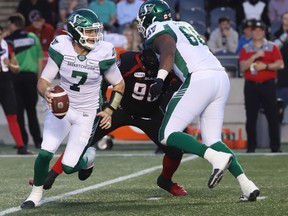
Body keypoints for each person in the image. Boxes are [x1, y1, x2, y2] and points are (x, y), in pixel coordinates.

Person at [137, 0, 260, 201]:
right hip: (220, 77)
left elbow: (169, 48)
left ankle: (214, 157)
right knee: (213, 139)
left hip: (200, 78)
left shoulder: (158, 28)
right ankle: (247, 185)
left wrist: (159, 77)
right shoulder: (184, 24)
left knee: (167, 133)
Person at [31, 49, 188, 197]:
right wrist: (105, 104)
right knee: (82, 140)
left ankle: (165, 180)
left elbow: (181, 88)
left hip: (150, 113)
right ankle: (51, 175)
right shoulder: (129, 60)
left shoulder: (171, 68)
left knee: (174, 150)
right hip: (120, 110)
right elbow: (107, 78)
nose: (152, 69)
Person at [20, 8, 125, 209]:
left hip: (87, 113)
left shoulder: (104, 52)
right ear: (75, 32)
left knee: (68, 167)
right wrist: (47, 93)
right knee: (45, 153)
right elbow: (43, 81)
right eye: (89, 31)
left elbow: (119, 85)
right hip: (63, 109)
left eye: (95, 31)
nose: (94, 36)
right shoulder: (62, 47)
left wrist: (110, 110)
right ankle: (35, 194)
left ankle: (88, 158)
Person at [239, 20, 284, 153]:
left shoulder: (272, 46)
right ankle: (251, 148)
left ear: (264, 32)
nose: (257, 32)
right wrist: (256, 56)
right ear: (251, 32)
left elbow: (280, 64)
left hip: (268, 85)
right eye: (255, 30)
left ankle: (275, 148)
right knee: (251, 117)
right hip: (251, 86)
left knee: (272, 116)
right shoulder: (246, 48)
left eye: (260, 30)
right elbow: (243, 67)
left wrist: (266, 66)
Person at [5, 13, 43, 149]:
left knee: (19, 111)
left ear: (12, 24)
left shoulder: (8, 40)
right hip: (32, 77)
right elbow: (40, 59)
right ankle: (38, 140)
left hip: (15, 77)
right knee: (32, 111)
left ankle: (23, 141)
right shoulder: (33, 37)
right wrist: (39, 78)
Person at [0, 26, 32, 155]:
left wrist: (9, 64)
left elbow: (17, 68)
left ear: (2, 34)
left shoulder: (7, 46)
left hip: (6, 83)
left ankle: (21, 146)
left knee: (12, 116)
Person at [273, 11, 288, 123]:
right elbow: (274, 49)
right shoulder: (277, 34)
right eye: (285, 19)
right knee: (281, 102)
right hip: (282, 71)